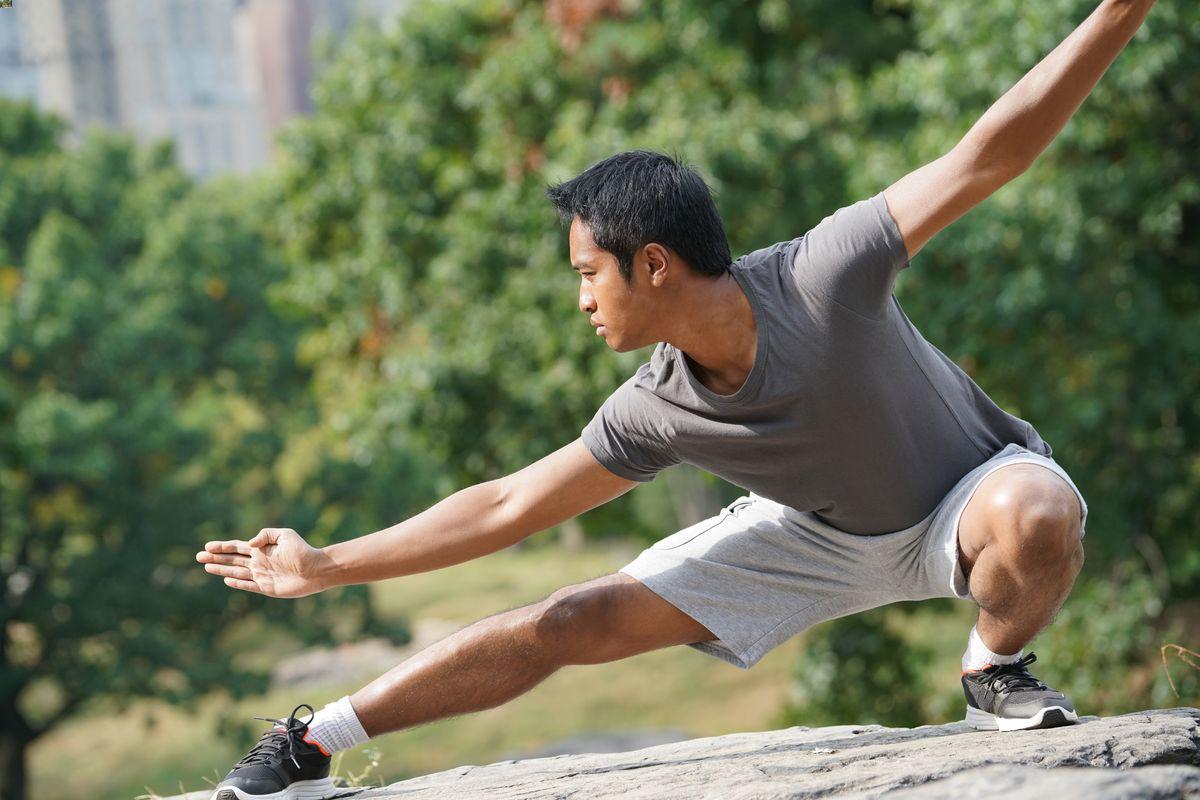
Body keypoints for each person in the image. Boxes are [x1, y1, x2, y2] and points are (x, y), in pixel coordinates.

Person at [196, 1, 1156, 797]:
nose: (579, 299)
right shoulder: (653, 408)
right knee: (571, 621)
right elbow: (507, 504)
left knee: (1038, 510)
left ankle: (991, 669)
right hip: (810, 534)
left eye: (587, 274)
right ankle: (312, 747)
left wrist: (1120, 10)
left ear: (652, 265)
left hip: (964, 500)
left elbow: (988, 155)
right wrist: (327, 567)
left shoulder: (824, 273)